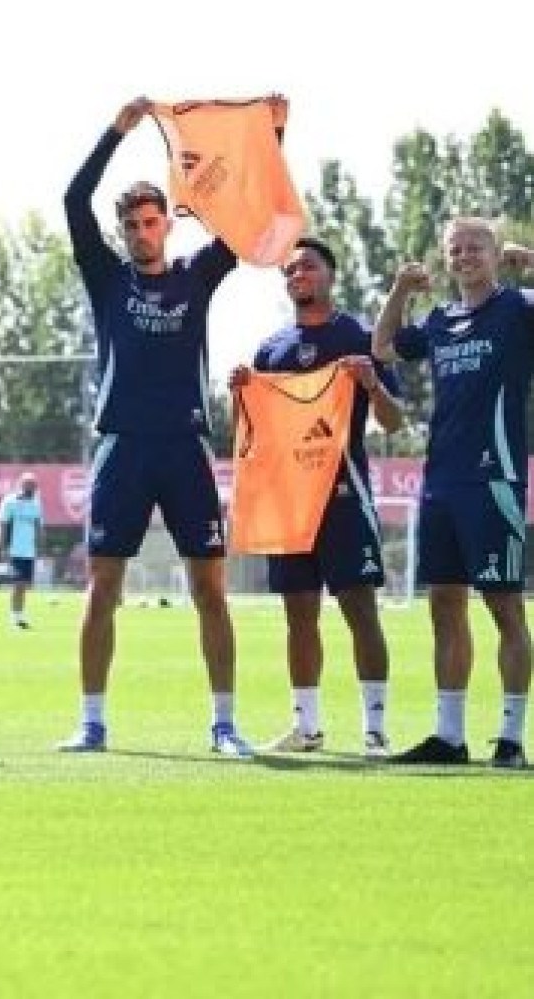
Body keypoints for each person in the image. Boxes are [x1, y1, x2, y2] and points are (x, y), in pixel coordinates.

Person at [57, 96, 278, 759]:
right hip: (122, 445)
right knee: (103, 586)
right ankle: (92, 722)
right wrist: (114, 133)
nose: (142, 231)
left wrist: (272, 136)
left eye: (152, 221)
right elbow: (73, 200)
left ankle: (224, 723)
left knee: (210, 587)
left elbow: (249, 213)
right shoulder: (106, 278)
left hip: (185, 448)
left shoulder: (196, 276)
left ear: (167, 226)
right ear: (123, 230)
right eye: (132, 223)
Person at [229, 236, 402, 757]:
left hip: (343, 495)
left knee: (358, 607)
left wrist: (372, 384)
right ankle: (306, 726)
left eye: (307, 266)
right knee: (298, 612)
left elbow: (393, 420)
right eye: (289, 270)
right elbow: (251, 434)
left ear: (330, 274)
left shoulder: (359, 336)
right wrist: (239, 393)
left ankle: (374, 727)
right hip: (290, 501)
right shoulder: (271, 349)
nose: (297, 274)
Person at [373, 217, 532, 768]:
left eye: (475, 248)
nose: (464, 257)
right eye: (455, 250)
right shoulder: (441, 320)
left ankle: (511, 738)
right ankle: (450, 735)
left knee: (505, 607)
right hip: (441, 481)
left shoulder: (517, 309)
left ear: (494, 253)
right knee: (444, 604)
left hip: (495, 479)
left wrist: (530, 265)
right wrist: (399, 289)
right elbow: (384, 347)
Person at [0, 473, 44, 631]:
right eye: (29, 485)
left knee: (24, 585)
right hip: (14, 550)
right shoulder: (10, 502)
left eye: (34, 485)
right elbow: (2, 524)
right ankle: (14, 617)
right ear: (22, 485)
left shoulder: (36, 503)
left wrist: (39, 545)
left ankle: (20, 615)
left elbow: (38, 525)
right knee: (17, 583)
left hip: (29, 551)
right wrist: (3, 547)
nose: (32, 488)